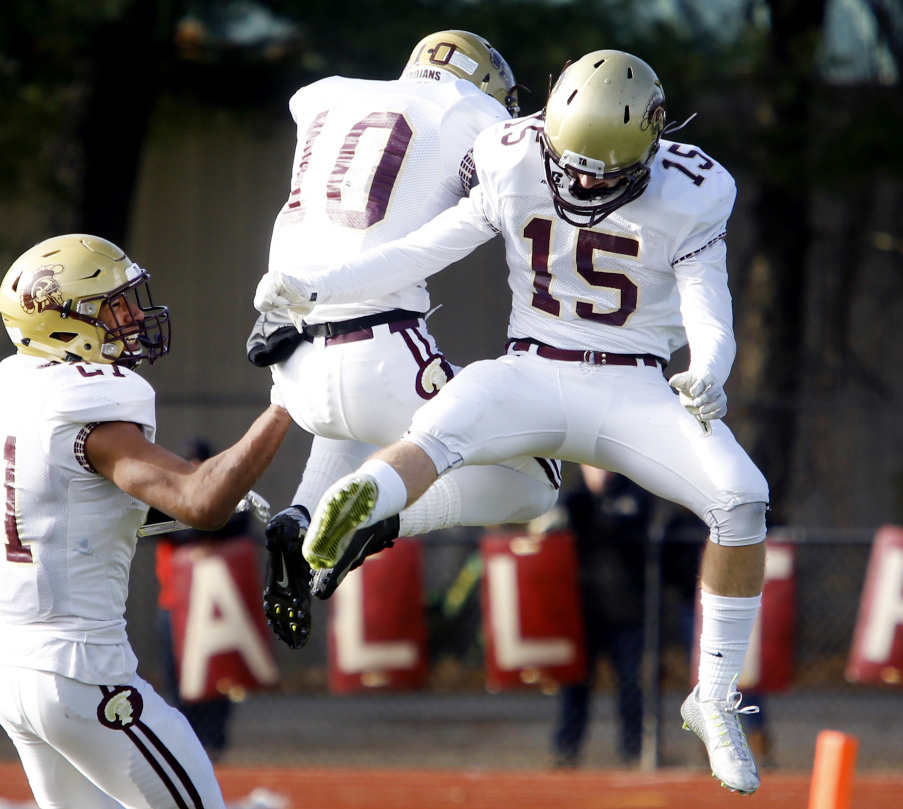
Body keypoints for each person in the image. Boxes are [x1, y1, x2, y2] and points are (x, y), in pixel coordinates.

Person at [255, 50, 769, 795]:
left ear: (651, 143)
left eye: (605, 167)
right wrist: (318, 287)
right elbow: (422, 249)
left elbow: (707, 304)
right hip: (529, 366)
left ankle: (714, 697)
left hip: (635, 387)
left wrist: (709, 370)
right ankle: (355, 506)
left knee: (742, 497)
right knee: (438, 430)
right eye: (573, 161)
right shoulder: (515, 152)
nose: (584, 179)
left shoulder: (694, 189)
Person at [255, 30, 560, 651]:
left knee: (356, 427)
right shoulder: (473, 112)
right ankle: (381, 520)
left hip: (291, 361)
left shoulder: (325, 96)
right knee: (536, 481)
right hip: (380, 351)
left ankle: (302, 514)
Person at [0, 234, 291, 809]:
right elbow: (201, 502)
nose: (131, 317)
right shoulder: (90, 404)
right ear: (61, 320)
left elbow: (82, 504)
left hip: (8, 664)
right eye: (113, 305)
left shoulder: (14, 383)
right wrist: (289, 402)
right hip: (82, 673)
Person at [152, 438, 249, 761]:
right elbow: (171, 529)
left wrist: (206, 518)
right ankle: (185, 743)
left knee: (220, 678)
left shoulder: (231, 499)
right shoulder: (166, 499)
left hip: (216, 605)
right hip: (175, 604)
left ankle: (214, 741)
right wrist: (204, 523)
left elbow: (239, 522)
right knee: (178, 678)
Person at [554, 465, 652, 767]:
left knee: (630, 685)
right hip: (583, 612)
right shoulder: (572, 499)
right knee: (575, 685)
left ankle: (633, 749)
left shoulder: (633, 495)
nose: (600, 472)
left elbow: (627, 528)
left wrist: (598, 518)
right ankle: (566, 749)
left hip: (626, 611)